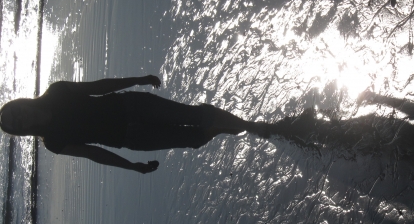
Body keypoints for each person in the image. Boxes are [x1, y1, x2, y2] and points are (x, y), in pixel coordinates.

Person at [0, 75, 267, 174]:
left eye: (15, 111)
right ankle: (226, 127)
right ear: (21, 131)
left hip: (133, 106)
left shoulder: (56, 91)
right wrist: (130, 166)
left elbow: (99, 87)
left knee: (195, 116)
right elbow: (94, 153)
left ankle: (253, 126)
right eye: (16, 123)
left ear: (20, 102)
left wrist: (137, 79)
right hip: (132, 138)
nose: (21, 116)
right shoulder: (53, 142)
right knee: (194, 139)